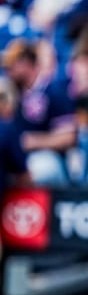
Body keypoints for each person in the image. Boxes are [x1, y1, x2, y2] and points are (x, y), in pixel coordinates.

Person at [1, 39, 77, 185]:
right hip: (19, 157)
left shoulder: (54, 91)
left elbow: (69, 137)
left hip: (47, 157)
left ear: (26, 63)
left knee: (39, 168)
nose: (7, 70)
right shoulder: (13, 93)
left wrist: (33, 141)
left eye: (12, 65)